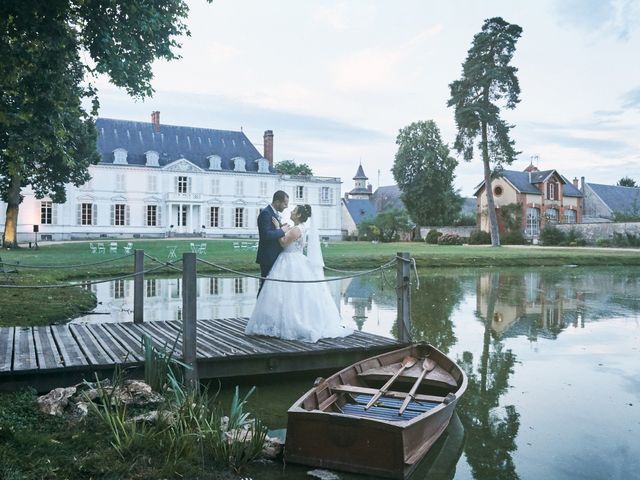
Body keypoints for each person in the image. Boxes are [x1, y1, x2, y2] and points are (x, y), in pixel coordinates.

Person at [245, 204, 353, 343]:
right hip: (291, 259)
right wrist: (284, 228)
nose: (291, 211)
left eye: (294, 211)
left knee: (290, 294)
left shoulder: (297, 229)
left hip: (290, 260)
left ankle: (290, 324)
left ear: (299, 215)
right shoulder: (296, 228)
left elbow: (283, 243)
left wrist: (278, 228)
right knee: (286, 294)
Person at [256, 190, 290, 295]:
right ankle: (260, 309)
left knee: (272, 287)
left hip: (274, 256)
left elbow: (273, 231)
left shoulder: (273, 213)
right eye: (285, 203)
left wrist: (280, 227)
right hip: (268, 257)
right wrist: (282, 231)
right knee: (265, 286)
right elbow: (266, 235)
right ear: (277, 202)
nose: (286, 206)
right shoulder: (266, 213)